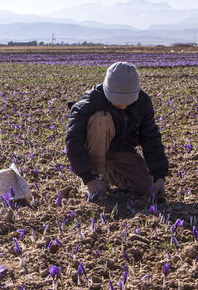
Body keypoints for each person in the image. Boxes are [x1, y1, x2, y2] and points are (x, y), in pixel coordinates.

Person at [65, 62, 169, 200]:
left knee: (145, 186)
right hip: (94, 147)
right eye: (118, 101)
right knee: (100, 120)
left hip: (120, 149)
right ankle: (97, 175)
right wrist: (88, 178)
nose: (123, 105)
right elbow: (73, 142)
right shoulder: (89, 103)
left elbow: (151, 138)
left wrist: (159, 175)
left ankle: (108, 172)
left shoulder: (142, 103)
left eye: (128, 101)